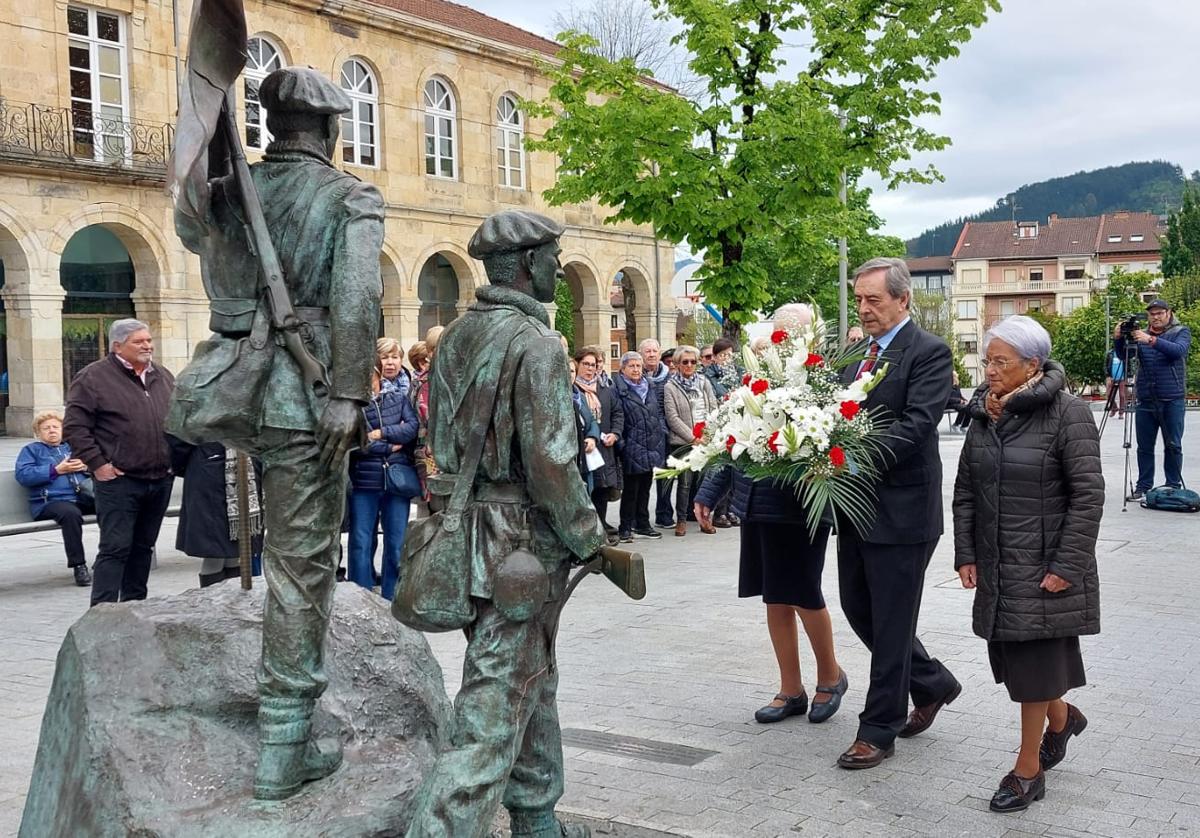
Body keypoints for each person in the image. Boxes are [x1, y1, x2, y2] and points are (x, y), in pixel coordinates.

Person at [172, 66, 384, 799]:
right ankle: (284, 745)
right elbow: (356, 301)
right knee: (301, 569)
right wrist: (350, 394)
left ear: (271, 128)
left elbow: (188, 224)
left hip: (241, 388)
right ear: (330, 130)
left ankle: (285, 729)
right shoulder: (349, 198)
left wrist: (212, 162)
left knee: (287, 566)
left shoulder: (233, 195)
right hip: (307, 395)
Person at [402, 210, 607, 838]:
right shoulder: (538, 343)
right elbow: (550, 461)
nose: (554, 265)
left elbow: (437, 440)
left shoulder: (456, 336)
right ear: (525, 262)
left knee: (528, 679)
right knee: (492, 706)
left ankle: (537, 817)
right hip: (522, 542)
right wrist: (591, 537)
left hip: (471, 535)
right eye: (550, 255)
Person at [953, 316, 1102, 813]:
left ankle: (1027, 768)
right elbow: (966, 491)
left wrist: (1068, 564)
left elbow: (1087, 498)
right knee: (1014, 661)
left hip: (1045, 566)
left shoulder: (1068, 413)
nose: (989, 370)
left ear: (1032, 365)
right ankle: (1062, 720)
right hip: (998, 562)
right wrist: (966, 552)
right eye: (987, 360)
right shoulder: (983, 414)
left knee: (1032, 667)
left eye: (1001, 361)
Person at [835, 257, 962, 770]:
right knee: (858, 608)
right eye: (859, 300)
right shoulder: (853, 355)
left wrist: (849, 456)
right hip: (855, 509)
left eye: (874, 300)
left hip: (904, 509)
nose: (864, 309)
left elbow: (916, 427)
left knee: (890, 622)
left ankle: (877, 729)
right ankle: (932, 682)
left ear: (903, 300)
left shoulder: (929, 353)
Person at [64, 318, 174, 607]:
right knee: (115, 548)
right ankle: (101, 614)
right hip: (119, 481)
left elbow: (178, 419)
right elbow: (75, 428)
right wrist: (99, 465)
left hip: (160, 479)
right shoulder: (92, 378)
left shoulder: (162, 375)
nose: (148, 346)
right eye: (139, 342)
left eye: (149, 340)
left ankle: (134, 608)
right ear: (117, 346)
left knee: (143, 548)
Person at [347, 338, 420, 600]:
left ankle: (392, 593)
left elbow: (411, 430)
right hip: (365, 482)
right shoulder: (354, 408)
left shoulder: (400, 398)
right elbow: (359, 443)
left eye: (372, 377)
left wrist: (383, 433)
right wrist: (390, 447)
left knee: (396, 541)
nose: (370, 382)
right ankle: (359, 592)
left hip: (396, 481)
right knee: (360, 540)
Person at [1113, 299, 1191, 499]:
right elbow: (1124, 356)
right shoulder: (1140, 335)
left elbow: (1178, 351)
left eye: (1159, 313)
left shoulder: (1180, 331)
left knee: (1173, 444)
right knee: (1144, 446)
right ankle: (1143, 486)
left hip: (1172, 398)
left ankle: (1173, 485)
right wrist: (1119, 339)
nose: (1155, 317)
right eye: (1152, 314)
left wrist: (1150, 340)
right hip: (1146, 398)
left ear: (1168, 313)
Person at [169, 440, 264, 587]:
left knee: (236, 550)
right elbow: (178, 441)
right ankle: (212, 601)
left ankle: (233, 600)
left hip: (242, 471)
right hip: (212, 473)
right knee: (215, 552)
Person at [15, 411, 94, 586]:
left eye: (55, 427)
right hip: (49, 502)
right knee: (70, 514)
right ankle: (79, 566)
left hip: (83, 496)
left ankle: (108, 557)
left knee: (112, 506)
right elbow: (24, 475)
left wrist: (85, 466)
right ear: (38, 432)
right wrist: (56, 470)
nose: (52, 431)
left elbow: (98, 466)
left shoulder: (73, 447)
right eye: (46, 428)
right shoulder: (31, 451)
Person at [661, 344, 717, 536]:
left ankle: (705, 519)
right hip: (684, 442)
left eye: (693, 361)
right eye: (685, 362)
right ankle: (682, 520)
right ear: (676, 364)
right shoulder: (670, 386)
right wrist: (692, 438)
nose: (690, 365)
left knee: (705, 482)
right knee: (685, 483)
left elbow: (713, 407)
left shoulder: (704, 382)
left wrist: (708, 434)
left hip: (705, 439)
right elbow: (672, 417)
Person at [613, 351, 668, 542]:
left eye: (638, 366)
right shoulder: (618, 389)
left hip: (651, 444)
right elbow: (616, 416)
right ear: (623, 369)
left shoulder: (649, 386)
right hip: (631, 445)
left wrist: (660, 433)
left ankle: (643, 523)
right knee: (631, 489)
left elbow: (658, 413)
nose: (636, 370)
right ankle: (626, 526)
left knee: (645, 487)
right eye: (631, 366)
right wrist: (622, 444)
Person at [574, 346, 624, 542]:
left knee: (603, 489)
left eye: (593, 365)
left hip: (604, 449)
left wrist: (616, 433)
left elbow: (618, 413)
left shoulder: (605, 389)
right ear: (577, 365)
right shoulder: (574, 390)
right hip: (584, 449)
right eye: (585, 364)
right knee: (587, 489)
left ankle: (601, 527)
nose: (589, 369)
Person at [640, 338, 675, 529]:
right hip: (644, 432)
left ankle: (664, 513)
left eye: (654, 351)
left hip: (665, 432)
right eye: (647, 351)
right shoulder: (636, 376)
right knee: (644, 478)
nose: (651, 354)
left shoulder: (669, 377)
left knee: (666, 475)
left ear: (659, 354)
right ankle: (641, 517)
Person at [568, 355, 602, 490]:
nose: (569, 374)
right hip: (568, 459)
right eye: (564, 370)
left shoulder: (579, 396)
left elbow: (591, 420)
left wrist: (592, 437)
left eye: (571, 371)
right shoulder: (552, 398)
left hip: (584, 457)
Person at [1103, 347, 1128, 419]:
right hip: (1112, 378)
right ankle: (1114, 408)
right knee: (1109, 394)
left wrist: (1128, 375)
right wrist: (1108, 376)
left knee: (1122, 395)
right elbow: (1105, 366)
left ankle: (1121, 412)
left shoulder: (1124, 354)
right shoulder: (1110, 353)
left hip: (1122, 378)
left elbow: (1128, 365)